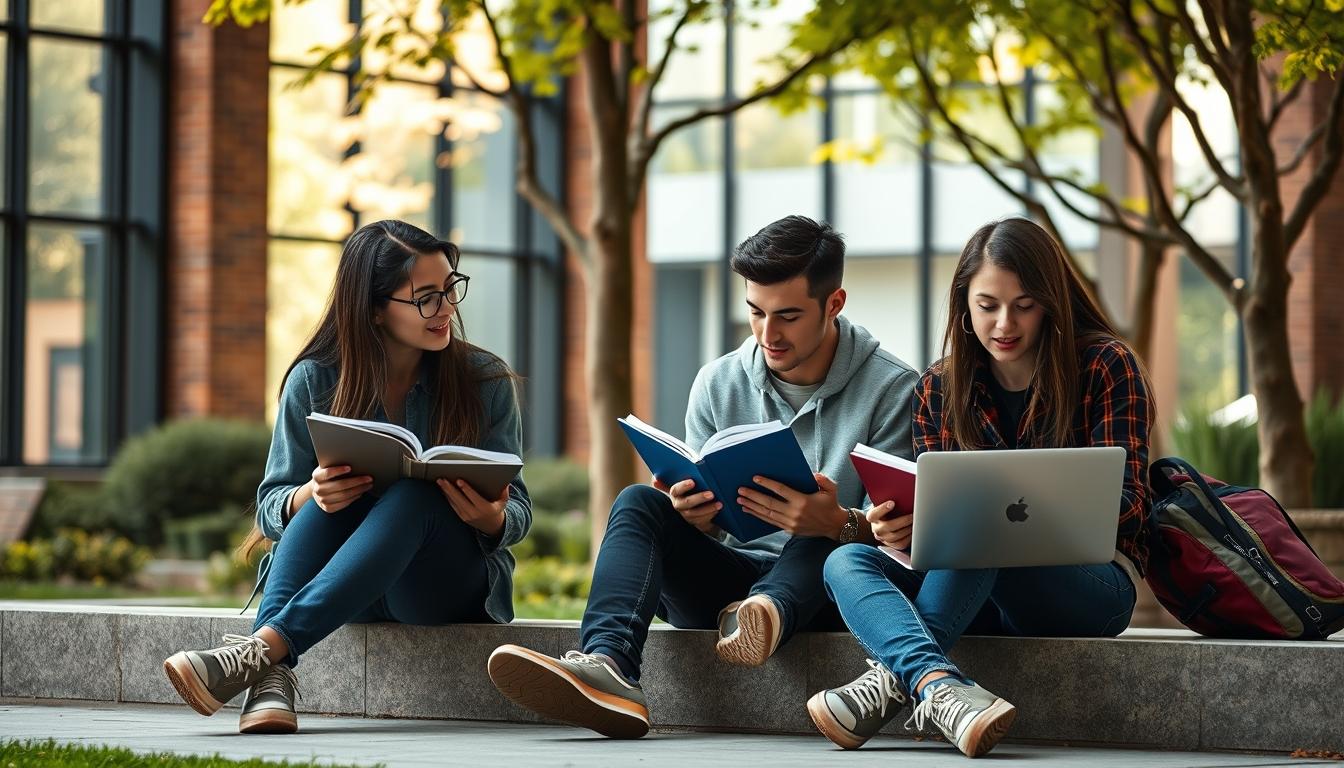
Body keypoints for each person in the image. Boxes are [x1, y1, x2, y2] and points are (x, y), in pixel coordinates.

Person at [487, 215, 920, 738]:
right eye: (755, 312)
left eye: (787, 316)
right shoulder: (718, 382)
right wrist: (692, 514)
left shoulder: (894, 388)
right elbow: (709, 522)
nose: (767, 334)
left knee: (821, 538)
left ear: (834, 303)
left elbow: (904, 545)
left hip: (824, 595)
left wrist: (840, 523)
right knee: (637, 502)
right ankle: (608, 669)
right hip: (726, 599)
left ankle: (766, 610)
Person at [162, 220, 531, 734]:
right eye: (425, 297)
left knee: (412, 496)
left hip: (435, 587)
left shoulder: (485, 380)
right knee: (321, 502)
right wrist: (309, 494)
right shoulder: (315, 379)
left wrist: (493, 519)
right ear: (375, 309)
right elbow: (272, 505)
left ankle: (262, 654)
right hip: (344, 582)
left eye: (450, 289)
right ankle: (270, 680)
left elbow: (520, 509)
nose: (447, 308)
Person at [807, 217, 1153, 758]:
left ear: (1052, 302)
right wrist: (898, 524)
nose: (1004, 323)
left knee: (981, 525)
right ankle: (941, 688)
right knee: (843, 562)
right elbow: (934, 510)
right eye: (987, 305)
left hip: (1090, 584)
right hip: (971, 585)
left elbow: (1130, 504)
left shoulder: (1107, 365)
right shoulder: (939, 387)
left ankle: (893, 683)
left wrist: (1018, 515)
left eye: (1024, 304)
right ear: (964, 306)